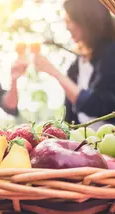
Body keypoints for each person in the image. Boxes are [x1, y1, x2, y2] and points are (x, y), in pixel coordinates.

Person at [32, 0, 115, 129]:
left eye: (70, 20)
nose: (67, 27)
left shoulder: (111, 53)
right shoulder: (76, 65)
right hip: (85, 144)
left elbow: (101, 106)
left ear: (86, 19)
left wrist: (55, 73)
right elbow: (70, 119)